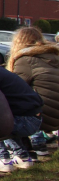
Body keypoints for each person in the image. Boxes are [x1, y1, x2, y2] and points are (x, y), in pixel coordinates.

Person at [7, 27, 58, 159]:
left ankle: (19, 155)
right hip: (55, 116)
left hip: (44, 116)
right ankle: (37, 146)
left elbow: (14, 91)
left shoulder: (25, 60)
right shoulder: (54, 55)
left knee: (1, 115)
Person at [0, 62, 44, 171]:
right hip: (35, 118)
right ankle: (22, 157)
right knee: (6, 120)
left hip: (27, 121)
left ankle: (2, 158)